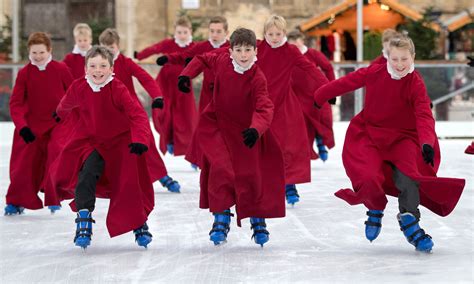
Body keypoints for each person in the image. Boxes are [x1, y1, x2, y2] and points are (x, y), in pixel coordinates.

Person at [313, 36, 465, 252]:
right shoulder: (375, 72)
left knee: (409, 176)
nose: (400, 64)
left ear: (412, 57)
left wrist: (426, 143)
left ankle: (410, 222)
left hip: (404, 137)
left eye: (404, 59)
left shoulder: (415, 83)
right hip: (370, 133)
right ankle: (375, 208)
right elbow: (348, 82)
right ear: (388, 57)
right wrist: (320, 95)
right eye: (395, 59)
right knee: (367, 175)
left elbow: (423, 115)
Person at [178, 28, 285, 247]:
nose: (243, 55)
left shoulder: (257, 77)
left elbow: (264, 106)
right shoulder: (220, 60)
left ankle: (257, 217)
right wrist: (186, 74)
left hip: (247, 133)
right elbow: (201, 58)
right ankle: (221, 216)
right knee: (220, 170)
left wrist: (256, 129)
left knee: (250, 175)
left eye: (248, 50)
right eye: (239, 50)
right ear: (231, 51)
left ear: (255, 51)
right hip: (218, 127)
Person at [51, 46, 154, 249]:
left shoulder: (117, 88)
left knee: (127, 182)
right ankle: (83, 218)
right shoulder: (79, 86)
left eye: (103, 66)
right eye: (93, 66)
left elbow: (138, 115)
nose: (98, 70)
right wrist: (59, 113)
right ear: (85, 68)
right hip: (93, 141)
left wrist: (140, 139)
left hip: (120, 141)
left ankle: (138, 223)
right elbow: (66, 103)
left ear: (111, 68)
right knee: (86, 174)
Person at [257, 15, 328, 206]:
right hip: (261, 105)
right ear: (264, 34)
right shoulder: (257, 48)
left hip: (285, 106)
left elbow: (311, 70)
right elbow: (232, 54)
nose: (273, 37)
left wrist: (329, 88)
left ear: (284, 34)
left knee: (288, 147)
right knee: (264, 147)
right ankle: (267, 185)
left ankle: (290, 184)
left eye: (278, 34)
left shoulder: (291, 51)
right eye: (270, 34)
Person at [99, 28, 181, 193]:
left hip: (132, 112)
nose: (108, 51)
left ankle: (162, 176)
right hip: (110, 115)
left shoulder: (126, 62)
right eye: (105, 48)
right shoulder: (97, 66)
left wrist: (157, 96)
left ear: (118, 46)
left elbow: (145, 78)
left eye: (111, 48)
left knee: (146, 141)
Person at [5, 32, 73, 215]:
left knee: (56, 151)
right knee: (23, 161)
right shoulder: (24, 73)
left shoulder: (61, 69)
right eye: (34, 53)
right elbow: (16, 103)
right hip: (31, 124)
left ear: (49, 50)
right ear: (29, 52)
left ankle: (54, 195)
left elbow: (74, 94)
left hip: (57, 122)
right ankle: (16, 200)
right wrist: (22, 127)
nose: (38, 56)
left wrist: (65, 113)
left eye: (41, 52)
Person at [135, 17, 198, 158]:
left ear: (190, 32)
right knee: (164, 113)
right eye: (179, 32)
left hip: (183, 85)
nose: (182, 35)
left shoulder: (194, 46)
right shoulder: (169, 44)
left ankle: (190, 150)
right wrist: (139, 55)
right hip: (166, 83)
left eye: (184, 32)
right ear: (175, 32)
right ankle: (168, 139)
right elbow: (155, 48)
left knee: (186, 117)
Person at [156, 16, 230, 115]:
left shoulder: (233, 48)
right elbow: (184, 55)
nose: (214, 35)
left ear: (226, 32)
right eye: (212, 31)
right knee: (205, 123)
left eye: (218, 31)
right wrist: (168, 58)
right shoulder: (202, 47)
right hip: (207, 92)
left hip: (228, 92)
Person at [287, 30, 335, 162]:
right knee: (302, 125)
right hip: (296, 96)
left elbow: (328, 67)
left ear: (302, 41)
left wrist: (331, 87)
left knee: (321, 120)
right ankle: (306, 152)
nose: (295, 45)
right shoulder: (287, 55)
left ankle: (321, 142)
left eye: (297, 41)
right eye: (292, 43)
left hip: (314, 94)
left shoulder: (313, 54)